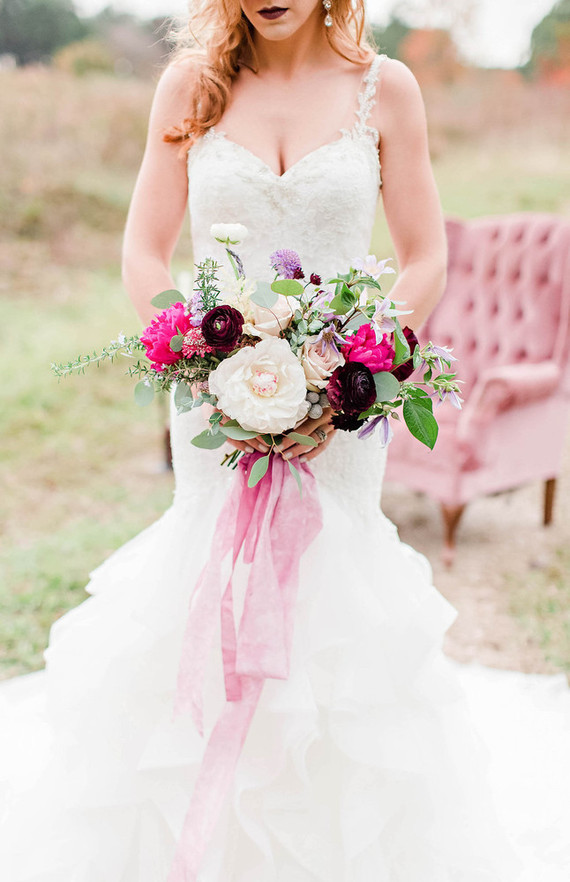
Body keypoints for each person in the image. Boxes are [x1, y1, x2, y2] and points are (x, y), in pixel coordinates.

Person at [0, 0, 569, 880]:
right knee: (207, 578)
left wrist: (349, 376)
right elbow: (144, 253)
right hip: (215, 402)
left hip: (341, 411)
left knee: (334, 598)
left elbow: (424, 257)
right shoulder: (190, 86)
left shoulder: (390, 89)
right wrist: (197, 352)